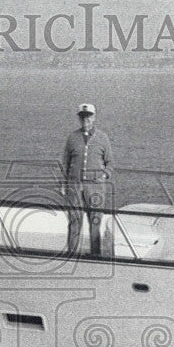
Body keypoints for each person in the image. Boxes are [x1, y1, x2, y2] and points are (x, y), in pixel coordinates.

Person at [61, 103, 113, 256]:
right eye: (83, 117)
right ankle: (71, 253)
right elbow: (65, 163)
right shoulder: (72, 138)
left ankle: (95, 255)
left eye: (89, 117)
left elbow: (110, 163)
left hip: (96, 188)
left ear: (94, 117)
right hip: (75, 187)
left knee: (95, 222)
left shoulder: (103, 138)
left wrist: (104, 175)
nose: (86, 120)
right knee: (74, 221)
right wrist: (64, 185)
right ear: (79, 118)